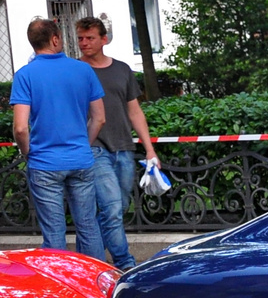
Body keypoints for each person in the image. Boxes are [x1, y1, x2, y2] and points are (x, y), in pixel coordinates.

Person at [10, 19, 107, 260]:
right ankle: (94, 284)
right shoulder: (84, 70)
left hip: (44, 163)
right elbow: (99, 118)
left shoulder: (24, 76)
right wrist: (83, 144)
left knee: (54, 233)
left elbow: (21, 128)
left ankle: (61, 289)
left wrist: (27, 152)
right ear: (55, 39)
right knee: (88, 226)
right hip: (81, 160)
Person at [76, 18, 159, 271]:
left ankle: (85, 260)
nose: (84, 43)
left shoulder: (123, 70)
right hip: (93, 147)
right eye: (80, 38)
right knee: (112, 208)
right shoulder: (76, 70)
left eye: (90, 38)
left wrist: (149, 148)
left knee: (118, 207)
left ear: (104, 39)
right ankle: (125, 264)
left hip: (123, 147)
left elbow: (134, 111)